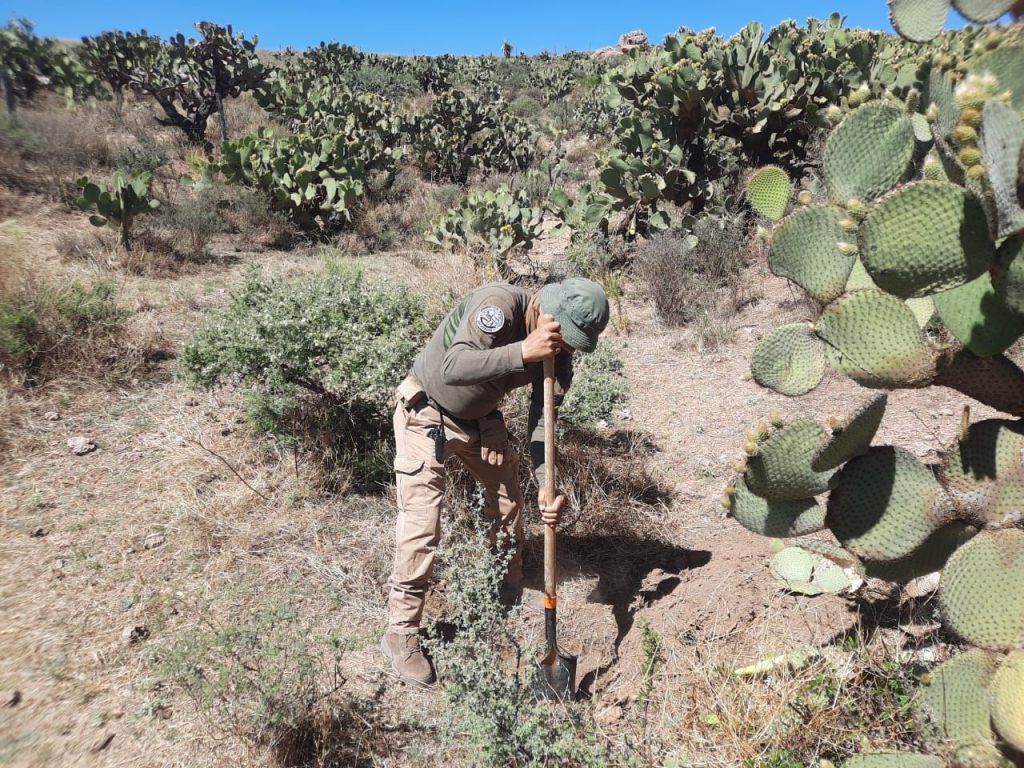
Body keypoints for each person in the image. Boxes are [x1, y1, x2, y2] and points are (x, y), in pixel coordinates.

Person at [380, 277, 610, 687]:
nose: (567, 349)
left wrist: (546, 483)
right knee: (422, 523)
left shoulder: (558, 352)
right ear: (546, 310)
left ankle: (507, 584)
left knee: (508, 502)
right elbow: (453, 367)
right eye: (566, 338)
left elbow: (543, 422)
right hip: (426, 412)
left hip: (481, 422)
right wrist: (522, 352)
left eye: (576, 343)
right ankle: (401, 631)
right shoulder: (498, 307)